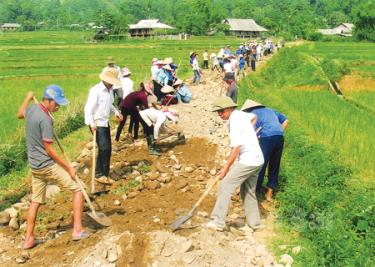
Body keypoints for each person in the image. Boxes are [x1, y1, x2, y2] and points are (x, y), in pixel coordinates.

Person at [17, 86, 87, 248]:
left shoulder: (33, 108)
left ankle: (28, 239)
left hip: (34, 166)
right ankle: (77, 230)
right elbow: (50, 150)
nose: (58, 106)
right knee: (78, 189)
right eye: (57, 103)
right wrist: (68, 167)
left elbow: (20, 114)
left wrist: (28, 97)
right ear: (47, 100)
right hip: (47, 166)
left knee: (35, 201)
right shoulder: (46, 119)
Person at [206, 96, 264, 231]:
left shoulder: (235, 122)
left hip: (248, 161)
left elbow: (236, 148)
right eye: (218, 112)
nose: (219, 114)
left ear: (230, 108)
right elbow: (254, 117)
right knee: (248, 191)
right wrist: (250, 133)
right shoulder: (241, 115)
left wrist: (225, 169)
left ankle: (218, 222)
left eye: (221, 111)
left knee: (225, 185)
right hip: (258, 159)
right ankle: (254, 224)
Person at [241, 100, 288, 202]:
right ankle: (269, 194)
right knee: (275, 165)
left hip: (266, 137)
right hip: (279, 136)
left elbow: (252, 132)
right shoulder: (271, 110)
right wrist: (279, 131)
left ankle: (254, 192)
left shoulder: (252, 114)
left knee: (260, 164)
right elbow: (286, 121)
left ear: (247, 109)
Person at [84, 69, 123, 185]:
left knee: (107, 149)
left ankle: (105, 174)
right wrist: (91, 123)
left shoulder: (109, 91)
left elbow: (109, 104)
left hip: (105, 123)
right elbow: (88, 109)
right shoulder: (96, 90)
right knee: (104, 148)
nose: (112, 84)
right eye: (111, 82)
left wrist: (116, 112)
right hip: (97, 124)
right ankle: (99, 174)